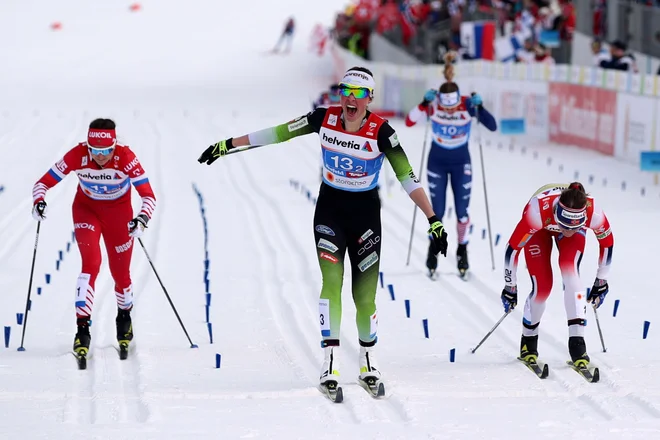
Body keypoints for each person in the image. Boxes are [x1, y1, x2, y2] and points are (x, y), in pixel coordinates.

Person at [198, 67, 449, 393]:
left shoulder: (382, 133)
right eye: (346, 90)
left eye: (359, 93)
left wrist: (433, 219)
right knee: (331, 283)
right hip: (329, 212)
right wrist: (228, 145)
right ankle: (329, 360)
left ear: (370, 99)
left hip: (365, 217)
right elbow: (278, 133)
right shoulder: (322, 118)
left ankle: (367, 361)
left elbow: (407, 178)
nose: (350, 98)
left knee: (364, 297)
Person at [32, 118, 156, 359]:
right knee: (90, 265)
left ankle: (124, 316)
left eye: (106, 151)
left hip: (119, 215)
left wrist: (141, 219)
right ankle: (82, 329)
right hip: (86, 210)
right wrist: (39, 201)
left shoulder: (126, 158)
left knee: (121, 275)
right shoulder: (77, 155)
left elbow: (148, 196)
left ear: (114, 145)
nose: (101, 157)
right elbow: (42, 183)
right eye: (95, 151)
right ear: (88, 146)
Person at [501, 182, 613, 369]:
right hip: (541, 229)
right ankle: (528, 343)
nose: (567, 232)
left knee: (571, 275)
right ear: (556, 215)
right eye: (564, 226)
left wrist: (601, 281)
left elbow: (608, 244)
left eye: (574, 228)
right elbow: (512, 250)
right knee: (543, 287)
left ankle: (577, 344)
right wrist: (510, 287)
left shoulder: (594, 213)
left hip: (561, 221)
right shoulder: (536, 213)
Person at [405, 53, 497, 278]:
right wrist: (423, 103)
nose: (448, 111)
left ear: (459, 99)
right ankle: (433, 249)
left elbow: (492, 126)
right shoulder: (434, 102)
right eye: (445, 108)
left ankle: (462, 249)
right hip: (436, 161)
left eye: (452, 107)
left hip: (460, 163)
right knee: (435, 210)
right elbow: (409, 121)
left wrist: (481, 107)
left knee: (461, 211)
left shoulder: (466, 103)